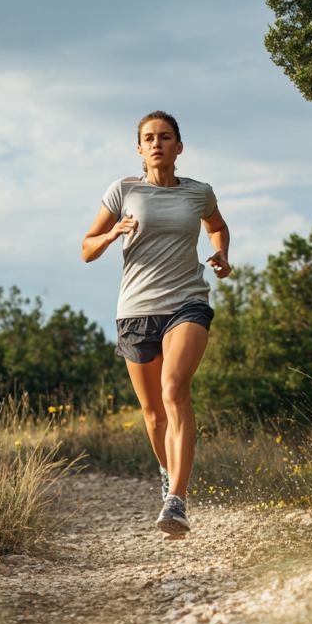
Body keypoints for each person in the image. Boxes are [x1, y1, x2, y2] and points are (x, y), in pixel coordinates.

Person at [81, 110, 231, 537]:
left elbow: (217, 227)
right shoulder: (123, 190)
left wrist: (220, 254)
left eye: (165, 137)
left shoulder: (198, 192)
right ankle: (168, 474)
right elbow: (86, 249)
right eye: (149, 138)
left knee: (173, 389)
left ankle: (177, 501)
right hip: (135, 310)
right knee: (152, 414)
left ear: (179, 147)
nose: (157, 144)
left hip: (187, 302)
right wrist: (111, 237)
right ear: (139, 147)